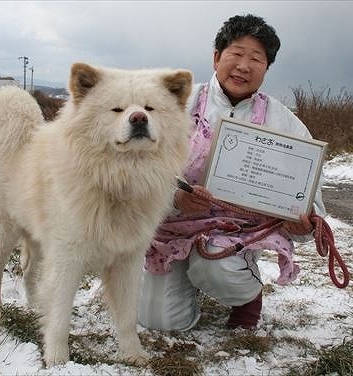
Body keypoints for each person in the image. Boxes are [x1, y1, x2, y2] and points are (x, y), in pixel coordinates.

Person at [137, 14, 326, 331]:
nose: (244, 66)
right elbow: (135, 170)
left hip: (233, 236)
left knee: (217, 267)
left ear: (266, 69)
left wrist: (304, 220)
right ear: (216, 58)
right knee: (160, 322)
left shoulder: (284, 124)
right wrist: (175, 198)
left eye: (256, 59)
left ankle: (246, 295)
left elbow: (310, 194)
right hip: (170, 228)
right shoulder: (174, 105)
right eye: (236, 54)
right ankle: (183, 277)